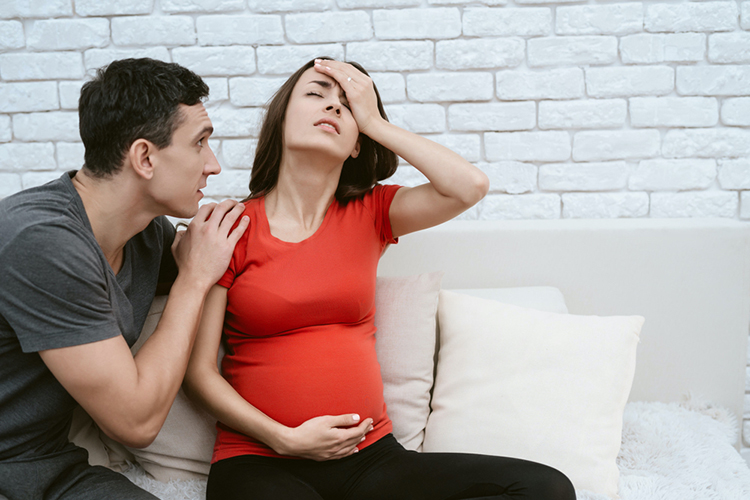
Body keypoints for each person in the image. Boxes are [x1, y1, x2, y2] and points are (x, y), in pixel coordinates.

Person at [184, 57, 576, 500]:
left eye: (347, 105)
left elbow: (468, 186)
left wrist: (372, 118)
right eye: (316, 94)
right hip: (260, 462)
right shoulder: (229, 228)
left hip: (371, 462)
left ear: (358, 143)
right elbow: (198, 373)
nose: (333, 107)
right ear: (280, 120)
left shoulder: (371, 213)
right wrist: (282, 438)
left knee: (546, 488)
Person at [0, 58, 248, 500]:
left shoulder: (148, 237)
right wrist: (192, 280)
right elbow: (135, 423)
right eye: (200, 143)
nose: (213, 166)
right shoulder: (39, 239)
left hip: (45, 462)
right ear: (144, 157)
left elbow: (241, 279)